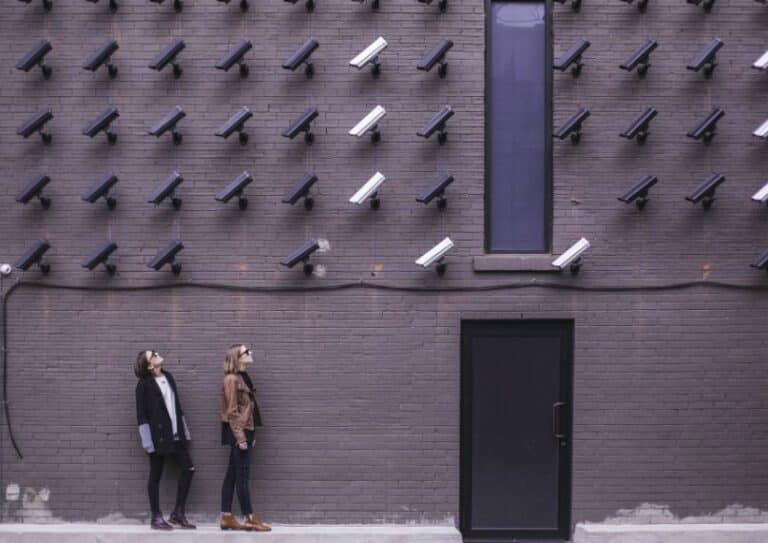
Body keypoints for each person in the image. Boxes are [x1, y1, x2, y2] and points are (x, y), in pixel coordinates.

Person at [134, 350, 196, 530]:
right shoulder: (143, 385)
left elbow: (176, 406)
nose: (157, 354)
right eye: (152, 354)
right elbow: (141, 416)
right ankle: (156, 517)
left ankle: (178, 513)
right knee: (155, 476)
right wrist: (148, 442)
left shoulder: (168, 376)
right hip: (158, 438)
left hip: (176, 436)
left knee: (189, 469)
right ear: (149, 366)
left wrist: (184, 431)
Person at [219, 344, 271, 532]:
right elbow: (232, 412)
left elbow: (249, 410)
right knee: (242, 476)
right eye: (246, 352)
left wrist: (252, 433)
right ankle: (249, 517)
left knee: (232, 474)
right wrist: (241, 438)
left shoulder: (242, 377)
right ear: (237, 358)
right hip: (238, 431)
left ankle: (226, 517)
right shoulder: (232, 380)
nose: (250, 353)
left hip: (244, 430)